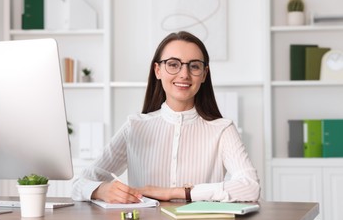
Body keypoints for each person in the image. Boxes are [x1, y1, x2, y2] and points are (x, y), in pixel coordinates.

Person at [72, 31, 260, 203]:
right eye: (173, 64)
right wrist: (102, 190)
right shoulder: (135, 127)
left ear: (204, 74)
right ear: (158, 70)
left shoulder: (222, 129)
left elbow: (250, 187)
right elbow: (79, 183)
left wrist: (177, 192)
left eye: (194, 66)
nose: (184, 74)